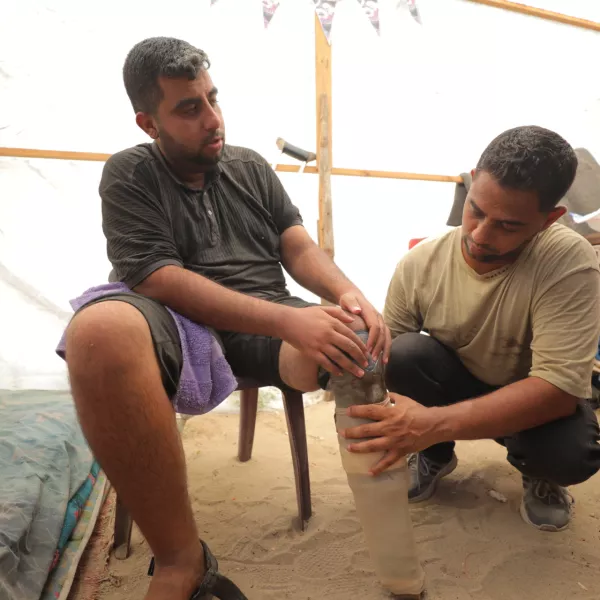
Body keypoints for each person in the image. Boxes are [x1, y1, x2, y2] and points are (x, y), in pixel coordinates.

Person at [62, 37, 391, 600]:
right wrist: (290, 322)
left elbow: (298, 248)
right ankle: (180, 561)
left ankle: (393, 540)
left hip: (266, 314)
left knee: (356, 339)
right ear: (149, 123)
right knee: (97, 331)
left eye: (213, 99)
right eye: (189, 108)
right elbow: (157, 277)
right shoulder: (129, 173)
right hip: (178, 320)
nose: (213, 119)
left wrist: (348, 293)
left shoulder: (250, 166)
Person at [340, 125, 600, 533]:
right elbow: (386, 364)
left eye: (508, 226)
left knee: (571, 454)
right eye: (476, 210)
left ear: (550, 219)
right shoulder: (421, 264)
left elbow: (558, 390)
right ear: (473, 180)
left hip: (532, 403)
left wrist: (430, 424)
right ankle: (435, 455)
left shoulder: (570, 262)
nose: (480, 236)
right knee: (402, 352)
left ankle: (539, 474)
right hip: (458, 383)